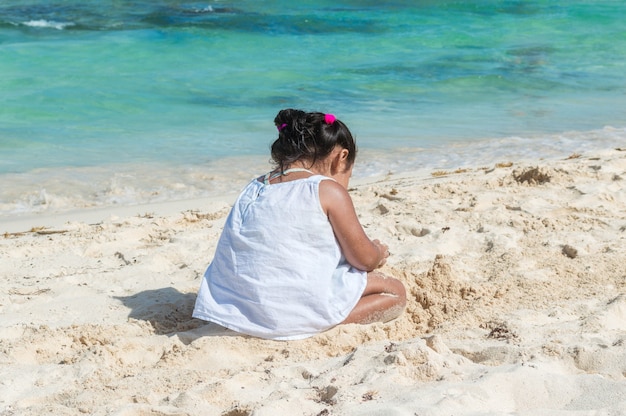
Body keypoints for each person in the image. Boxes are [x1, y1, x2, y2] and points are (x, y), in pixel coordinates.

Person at [192, 109, 406, 340]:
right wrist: (378, 252)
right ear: (341, 157)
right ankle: (317, 326)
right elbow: (363, 259)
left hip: (235, 309)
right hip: (286, 315)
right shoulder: (327, 189)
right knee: (394, 292)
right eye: (349, 175)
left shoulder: (254, 186)